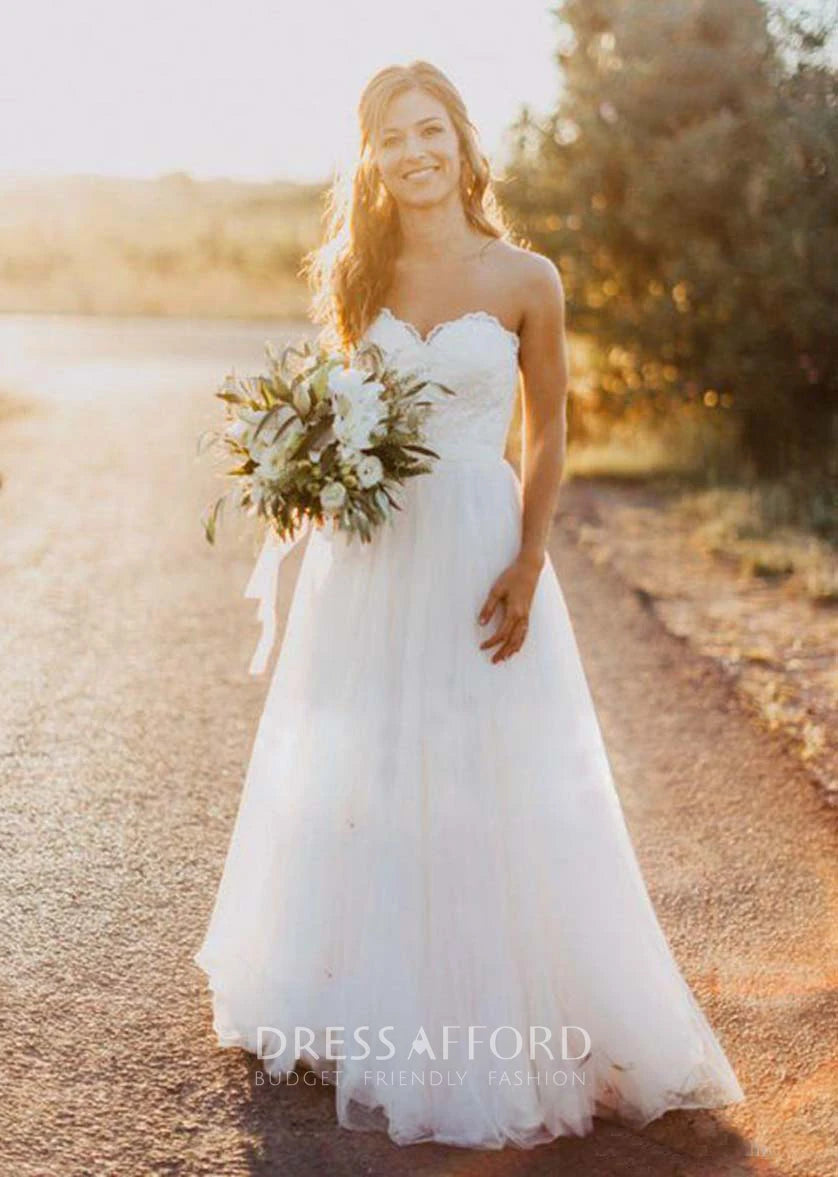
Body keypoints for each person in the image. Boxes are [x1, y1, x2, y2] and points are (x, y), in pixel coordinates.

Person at [193, 59, 744, 1150]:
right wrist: (309, 465)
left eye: (428, 129)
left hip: (483, 540)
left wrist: (531, 557)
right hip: (375, 554)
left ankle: (499, 1008)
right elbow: (341, 405)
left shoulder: (525, 278)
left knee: (493, 758)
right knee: (376, 760)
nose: (412, 152)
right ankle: (370, 989)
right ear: (372, 156)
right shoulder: (358, 272)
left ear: (461, 140)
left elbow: (547, 431)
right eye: (390, 136)